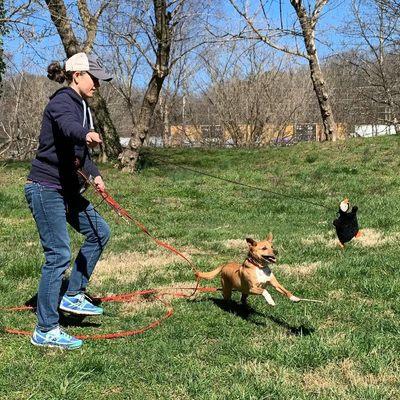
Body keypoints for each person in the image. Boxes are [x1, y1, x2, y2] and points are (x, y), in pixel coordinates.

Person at [24, 53, 113, 350]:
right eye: (94, 78)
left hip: (66, 188)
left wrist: (95, 175)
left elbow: (79, 152)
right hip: (45, 187)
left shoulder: (83, 107)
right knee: (58, 255)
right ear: (77, 75)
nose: (97, 85)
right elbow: (68, 128)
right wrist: (85, 133)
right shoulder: (63, 102)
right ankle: (45, 329)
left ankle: (73, 294)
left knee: (100, 232)